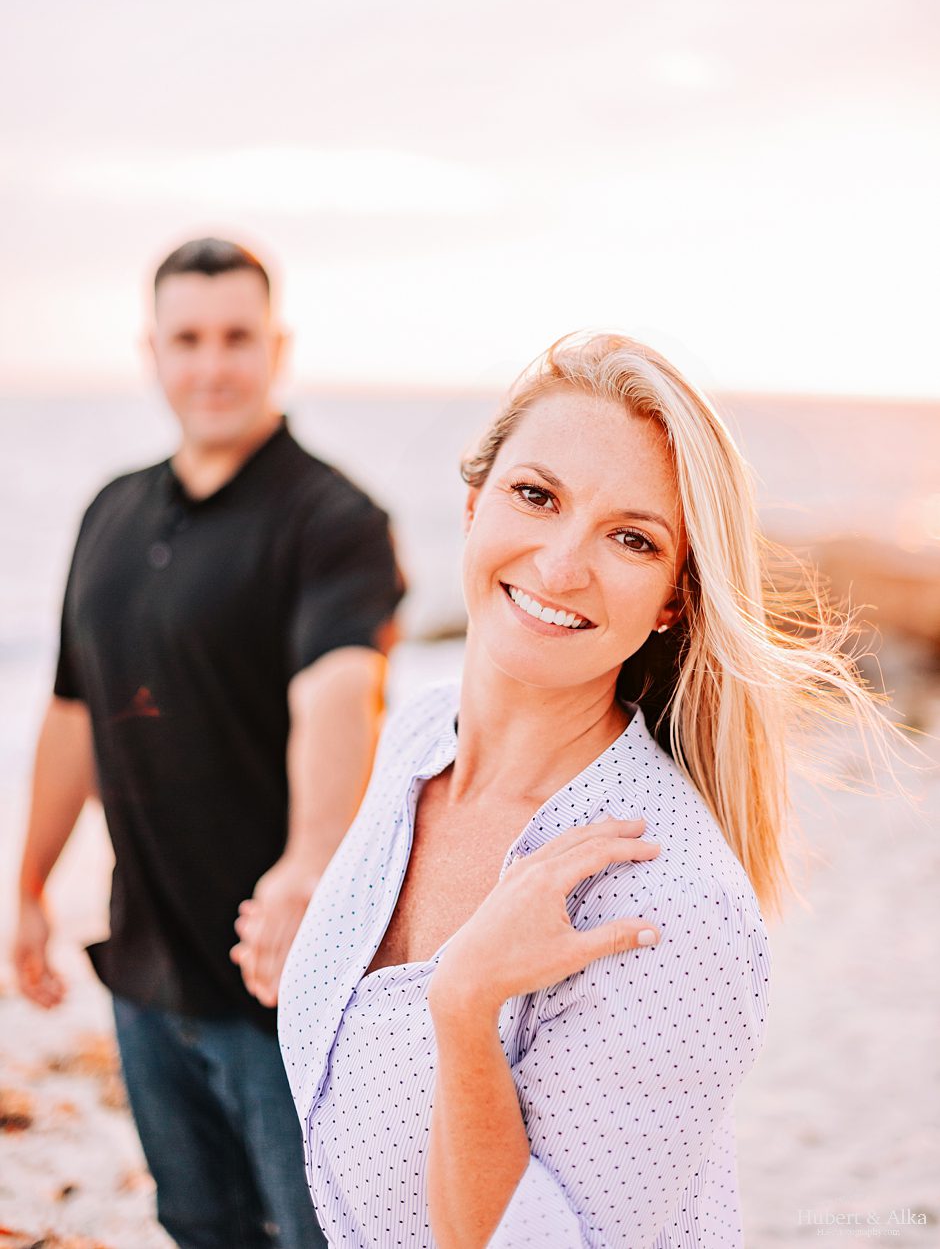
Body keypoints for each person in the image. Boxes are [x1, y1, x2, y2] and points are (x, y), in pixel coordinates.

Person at [278, 331, 893, 1249]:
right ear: (475, 503)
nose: (563, 565)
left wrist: (466, 1004)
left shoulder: (673, 901)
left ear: (674, 601)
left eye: (632, 538)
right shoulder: (415, 741)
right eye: (537, 495)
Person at [13, 237, 404, 1249]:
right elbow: (72, 710)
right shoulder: (111, 509)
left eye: (237, 336)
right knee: (198, 1226)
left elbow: (341, 689)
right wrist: (27, 887)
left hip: (283, 980)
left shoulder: (333, 519)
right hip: (144, 972)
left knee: (319, 1234)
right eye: (188, 338)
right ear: (153, 350)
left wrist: (306, 866)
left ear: (276, 346)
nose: (213, 364)